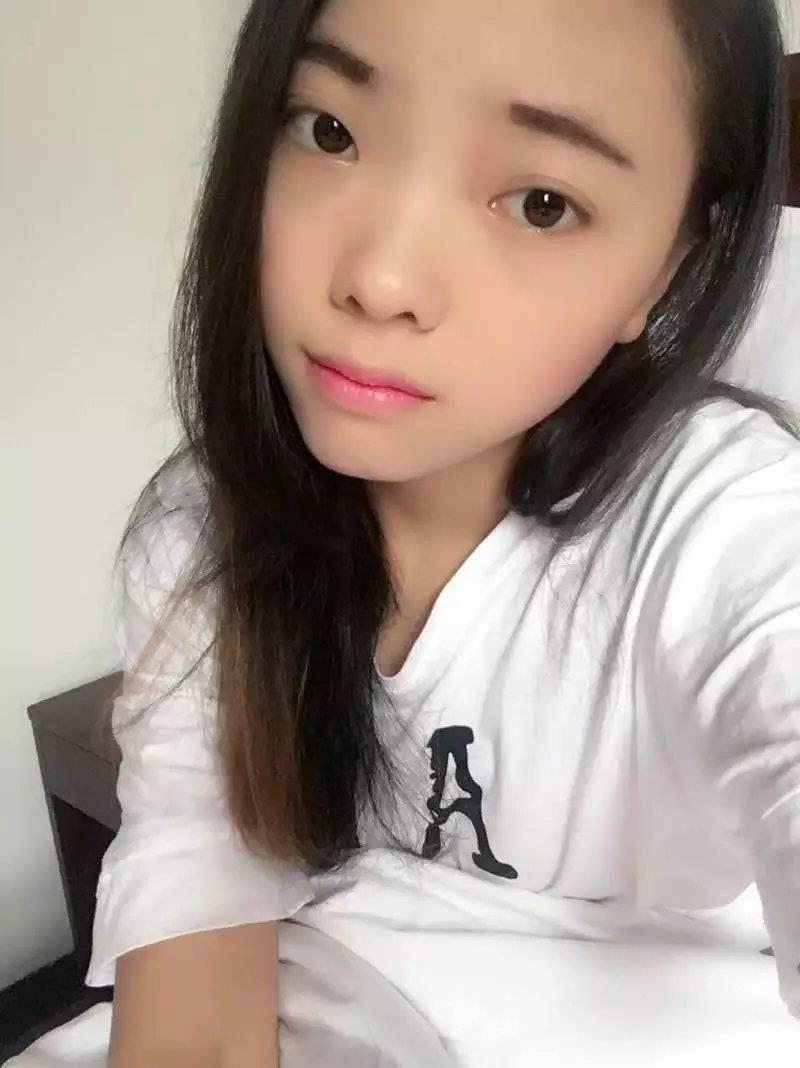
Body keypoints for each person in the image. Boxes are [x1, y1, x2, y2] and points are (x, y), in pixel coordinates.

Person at [84, 0, 800, 1064]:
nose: (379, 280)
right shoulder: (202, 540)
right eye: (330, 131)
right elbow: (198, 1001)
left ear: (665, 272)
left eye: (542, 203)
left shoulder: (723, 527)